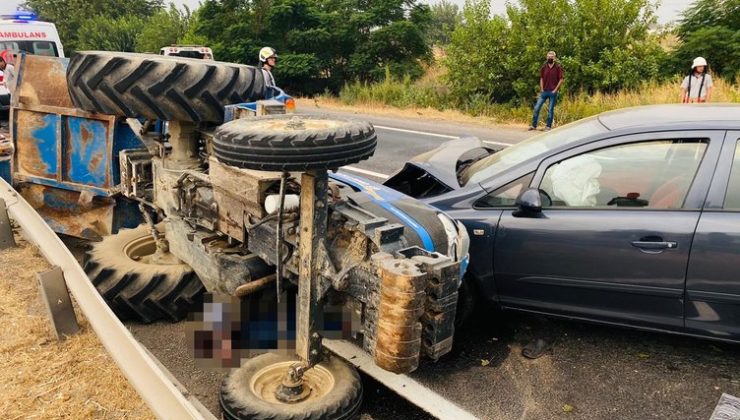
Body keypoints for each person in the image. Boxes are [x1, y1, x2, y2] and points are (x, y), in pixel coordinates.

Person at [529, 51, 564, 131]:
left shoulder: (558, 67)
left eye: (551, 57)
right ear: (546, 57)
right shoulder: (544, 67)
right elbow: (541, 78)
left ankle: (548, 126)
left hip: (552, 92)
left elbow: (561, 79)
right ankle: (533, 125)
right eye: (548, 57)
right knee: (537, 108)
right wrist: (541, 89)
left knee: (550, 109)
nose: (550, 58)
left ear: (554, 58)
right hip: (544, 91)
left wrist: (555, 90)